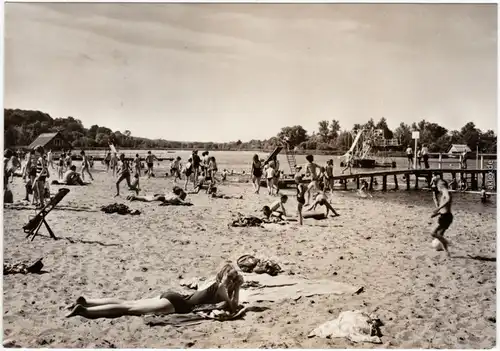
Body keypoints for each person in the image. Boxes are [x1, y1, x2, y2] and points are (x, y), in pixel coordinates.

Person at [66, 262, 244, 319]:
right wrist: (237, 289)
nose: (231, 281)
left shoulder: (211, 280)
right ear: (228, 278)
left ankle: (87, 301)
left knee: (129, 303)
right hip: (176, 305)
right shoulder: (221, 289)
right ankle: (85, 310)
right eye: (232, 278)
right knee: (127, 309)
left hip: (172, 295)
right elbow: (232, 308)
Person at [430, 179, 453, 256]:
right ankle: (447, 252)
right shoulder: (443, 193)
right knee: (440, 235)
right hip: (446, 216)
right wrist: (436, 214)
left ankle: (447, 242)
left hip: (446, 217)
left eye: (437, 186)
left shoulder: (445, 191)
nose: (437, 188)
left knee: (433, 233)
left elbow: (448, 199)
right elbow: (444, 209)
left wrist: (438, 208)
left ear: (440, 186)